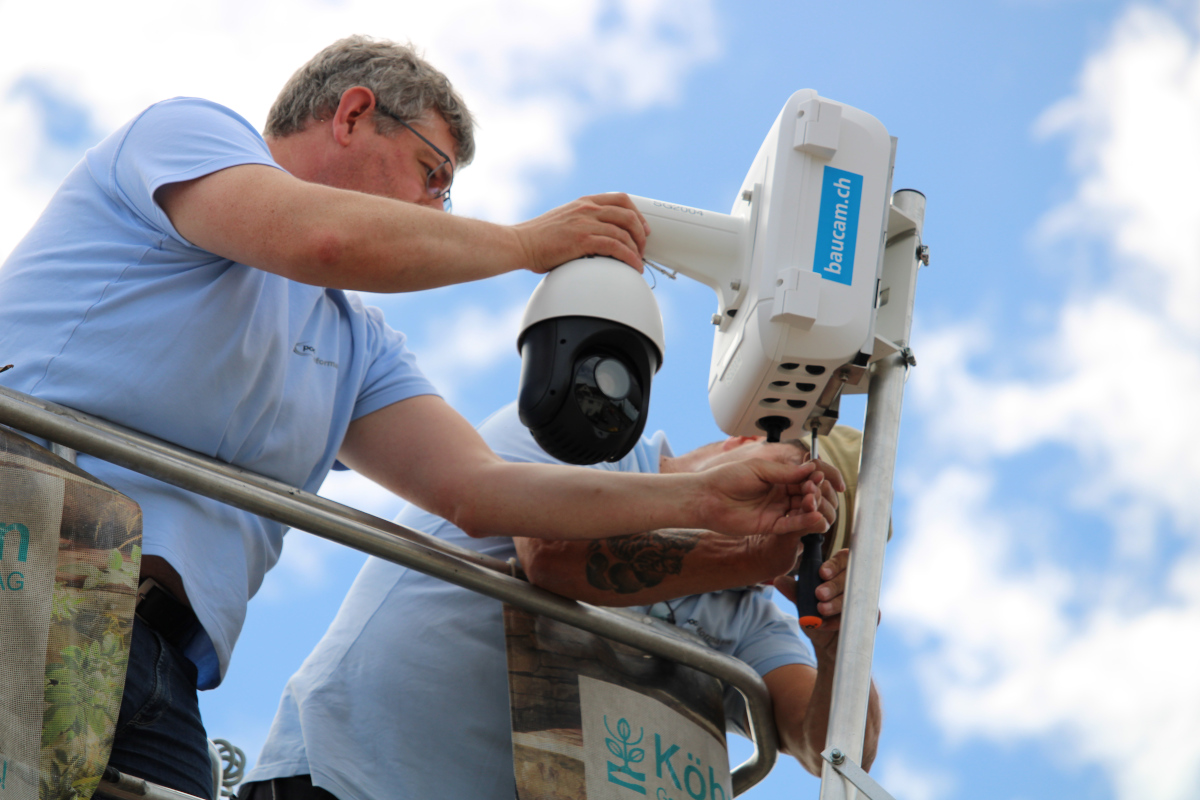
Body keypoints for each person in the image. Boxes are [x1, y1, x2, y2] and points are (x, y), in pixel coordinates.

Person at [0, 36, 839, 799]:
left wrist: (705, 505)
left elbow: (480, 491)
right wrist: (523, 245)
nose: (436, 209)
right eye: (433, 175)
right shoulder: (185, 135)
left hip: (160, 669)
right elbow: (323, 239)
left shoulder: (354, 345)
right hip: (21, 564)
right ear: (355, 114)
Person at [239, 402, 881, 800]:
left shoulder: (748, 614)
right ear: (746, 448)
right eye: (787, 492)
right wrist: (742, 550)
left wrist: (840, 648)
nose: (784, 527)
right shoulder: (590, 429)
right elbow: (550, 554)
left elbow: (827, 748)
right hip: (350, 782)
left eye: (810, 537)